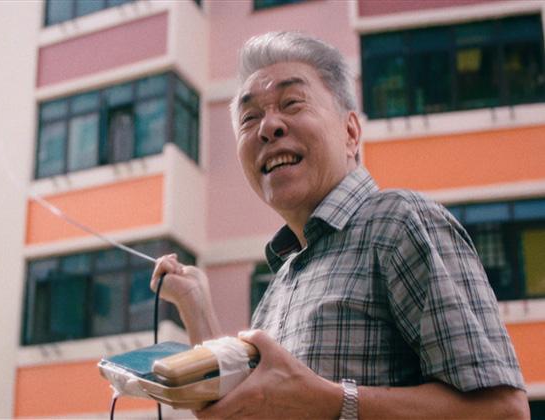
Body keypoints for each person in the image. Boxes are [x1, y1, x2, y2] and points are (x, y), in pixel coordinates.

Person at [151, 32, 529, 419]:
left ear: (350, 133)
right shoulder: (280, 286)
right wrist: (196, 306)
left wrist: (331, 400)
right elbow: (247, 410)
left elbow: (505, 411)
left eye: (291, 103)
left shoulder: (398, 223)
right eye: (250, 118)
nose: (268, 126)